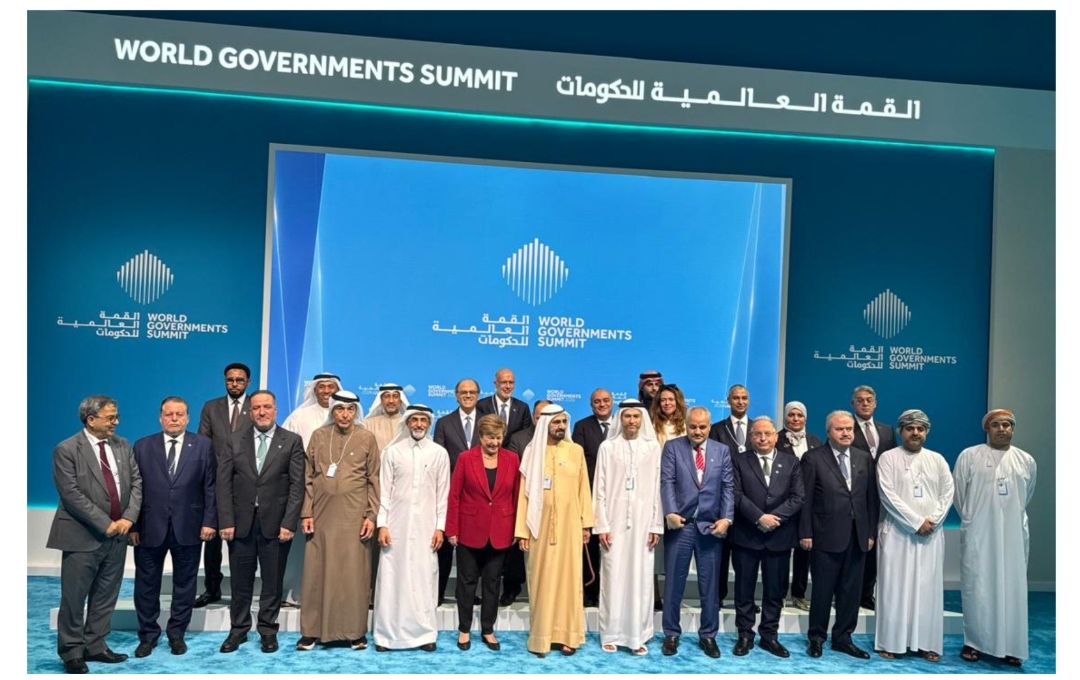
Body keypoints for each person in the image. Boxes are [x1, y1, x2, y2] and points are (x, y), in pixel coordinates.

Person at [48, 395, 143, 674]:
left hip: (118, 536)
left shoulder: (123, 445)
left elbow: (137, 483)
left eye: (116, 416)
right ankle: (72, 652)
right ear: (91, 420)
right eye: (110, 417)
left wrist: (128, 518)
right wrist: (106, 523)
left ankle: (96, 645)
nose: (116, 422)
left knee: (105, 596)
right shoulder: (66, 449)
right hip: (82, 535)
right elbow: (71, 495)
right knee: (74, 598)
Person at [216, 390, 305, 655]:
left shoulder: (292, 441)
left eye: (267, 407)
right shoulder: (234, 440)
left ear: (276, 409)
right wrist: (226, 520)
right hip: (240, 524)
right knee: (240, 581)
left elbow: (297, 486)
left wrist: (289, 523)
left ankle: (267, 630)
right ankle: (238, 629)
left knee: (272, 582)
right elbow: (223, 483)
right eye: (256, 408)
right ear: (250, 411)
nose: (262, 412)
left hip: (276, 526)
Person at [130, 397, 216, 658]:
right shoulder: (142, 446)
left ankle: (176, 634)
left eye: (180, 414)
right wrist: (133, 525)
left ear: (188, 418)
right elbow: (134, 489)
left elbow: (210, 486)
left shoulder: (203, 445)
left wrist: (209, 521)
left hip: (189, 526)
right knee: (146, 585)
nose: (174, 419)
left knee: (185, 584)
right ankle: (148, 635)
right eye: (169, 414)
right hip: (149, 527)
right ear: (160, 418)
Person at [296, 391, 380, 652]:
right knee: (316, 572)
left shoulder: (367, 438)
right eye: (340, 409)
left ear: (356, 412)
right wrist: (306, 512)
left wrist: (371, 515)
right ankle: (311, 632)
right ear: (332, 411)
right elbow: (308, 478)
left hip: (355, 517)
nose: (345, 415)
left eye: (350, 410)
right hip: (321, 515)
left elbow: (374, 479)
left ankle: (354, 632)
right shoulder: (319, 436)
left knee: (353, 574)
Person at [953, 408, 1037, 667]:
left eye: (1007, 425)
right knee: (978, 585)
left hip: (1013, 534)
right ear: (987, 429)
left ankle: (1012, 646)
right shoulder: (970, 456)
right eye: (996, 425)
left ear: (1013, 429)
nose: (1002, 429)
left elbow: (1027, 494)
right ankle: (974, 642)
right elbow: (959, 495)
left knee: (1013, 587)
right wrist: (974, 520)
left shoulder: (1026, 460)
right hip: (980, 533)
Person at [874, 409, 954, 663]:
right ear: (901, 431)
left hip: (930, 535)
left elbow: (947, 493)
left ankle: (927, 643)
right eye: (910, 428)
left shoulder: (937, 460)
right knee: (895, 589)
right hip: (897, 533)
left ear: (926, 432)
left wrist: (932, 521)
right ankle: (891, 642)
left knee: (927, 589)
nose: (915, 433)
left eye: (920, 429)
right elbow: (887, 494)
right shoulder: (888, 458)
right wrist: (916, 522)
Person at [514, 403, 594, 657]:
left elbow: (583, 489)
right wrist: (522, 531)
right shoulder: (532, 452)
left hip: (570, 527)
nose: (560, 427)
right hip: (538, 528)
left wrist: (586, 524)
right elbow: (523, 495)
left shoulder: (575, 450)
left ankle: (568, 636)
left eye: (563, 422)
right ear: (544, 425)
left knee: (569, 581)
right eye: (555, 422)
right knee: (542, 581)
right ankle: (542, 638)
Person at [799, 410, 878, 660]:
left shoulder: (863, 458)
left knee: (851, 592)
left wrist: (870, 532)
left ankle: (843, 638)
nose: (845, 433)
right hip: (824, 536)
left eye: (849, 429)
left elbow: (871, 499)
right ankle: (816, 638)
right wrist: (806, 532)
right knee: (822, 591)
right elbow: (805, 499)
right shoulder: (813, 458)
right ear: (828, 432)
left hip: (858, 536)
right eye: (840, 429)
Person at [373, 405, 450, 652]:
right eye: (414, 419)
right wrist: (382, 524)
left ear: (429, 423)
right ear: (407, 423)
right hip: (395, 526)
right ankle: (387, 636)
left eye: (423, 420)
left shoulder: (439, 453)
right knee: (392, 577)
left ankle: (424, 634)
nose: (418, 424)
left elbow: (443, 494)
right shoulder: (392, 452)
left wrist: (440, 527)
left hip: (427, 528)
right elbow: (384, 492)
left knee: (424, 578)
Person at [659, 406, 734, 660]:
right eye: (693, 426)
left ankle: (708, 635)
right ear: (686, 426)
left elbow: (728, 487)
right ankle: (671, 634)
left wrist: (726, 518)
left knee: (710, 586)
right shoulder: (673, 447)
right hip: (680, 526)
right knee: (674, 585)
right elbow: (667, 481)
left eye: (702, 427)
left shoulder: (722, 451)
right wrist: (670, 511)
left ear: (709, 427)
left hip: (710, 528)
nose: (698, 431)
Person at [592, 399, 663, 656]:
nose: (631, 421)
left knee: (640, 578)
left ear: (642, 419)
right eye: (627, 416)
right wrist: (601, 525)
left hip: (643, 524)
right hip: (613, 523)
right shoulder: (607, 447)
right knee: (613, 576)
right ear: (620, 418)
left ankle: (637, 635)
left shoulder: (652, 447)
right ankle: (611, 633)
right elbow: (599, 488)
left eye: (636, 416)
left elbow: (658, 488)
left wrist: (656, 524)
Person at [729, 416, 804, 659]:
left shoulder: (791, 462)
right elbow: (735, 494)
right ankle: (745, 635)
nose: (763, 438)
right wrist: (759, 517)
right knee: (744, 590)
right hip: (746, 535)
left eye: (767, 434)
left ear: (775, 436)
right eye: (757, 434)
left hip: (779, 536)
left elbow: (797, 497)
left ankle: (769, 635)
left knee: (774, 591)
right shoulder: (739, 460)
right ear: (751, 437)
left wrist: (774, 518)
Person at [445, 414, 520, 652]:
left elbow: (516, 496)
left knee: (492, 583)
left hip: (500, 531)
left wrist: (517, 528)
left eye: (498, 437)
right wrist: (452, 529)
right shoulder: (466, 458)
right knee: (466, 582)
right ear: (480, 436)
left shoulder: (512, 459)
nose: (494, 442)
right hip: (469, 531)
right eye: (490, 437)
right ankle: (464, 629)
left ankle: (488, 629)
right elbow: (454, 495)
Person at [280, 372, 345, 607]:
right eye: (322, 387)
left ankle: (332, 594)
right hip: (304, 489)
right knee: (302, 545)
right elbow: (284, 450)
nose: (326, 391)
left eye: (331, 387)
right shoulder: (300, 416)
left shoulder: (345, 416)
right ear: (314, 390)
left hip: (338, 494)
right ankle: (295, 593)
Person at [194, 362, 252, 608]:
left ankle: (241, 592)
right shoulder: (211, 407)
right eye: (230, 380)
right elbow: (203, 443)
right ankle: (212, 589)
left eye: (239, 380)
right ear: (225, 381)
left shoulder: (256, 406)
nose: (234, 384)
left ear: (248, 382)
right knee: (213, 541)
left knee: (241, 541)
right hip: (217, 482)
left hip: (247, 483)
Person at [433, 378, 482, 606]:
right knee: (444, 548)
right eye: (463, 392)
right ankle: (438, 592)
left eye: (472, 392)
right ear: (456, 395)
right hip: (450, 492)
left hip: (479, 494)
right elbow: (439, 458)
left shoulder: (488, 421)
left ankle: (469, 594)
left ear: (478, 395)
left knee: (474, 547)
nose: (468, 395)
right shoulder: (444, 423)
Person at [849, 385, 895, 611]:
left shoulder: (887, 431)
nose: (865, 403)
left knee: (875, 546)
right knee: (854, 546)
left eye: (869, 400)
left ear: (875, 403)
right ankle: (849, 593)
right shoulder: (846, 428)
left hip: (882, 497)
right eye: (860, 400)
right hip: (855, 495)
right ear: (853, 404)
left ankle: (867, 593)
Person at [499, 398, 550, 606]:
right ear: (533, 418)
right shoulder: (519, 439)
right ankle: (511, 588)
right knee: (517, 547)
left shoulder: (563, 439)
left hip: (551, 504)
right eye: (539, 417)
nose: (543, 421)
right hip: (524, 498)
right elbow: (511, 470)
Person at [774, 401, 822, 611]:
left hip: (808, 505)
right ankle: (779, 595)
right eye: (791, 415)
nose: (795, 419)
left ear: (805, 418)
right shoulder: (775, 439)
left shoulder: (815, 441)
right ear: (785, 417)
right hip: (784, 503)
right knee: (782, 553)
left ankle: (799, 594)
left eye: (799, 415)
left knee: (805, 552)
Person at [708, 384, 751, 609]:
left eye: (744, 398)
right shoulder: (717, 429)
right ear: (728, 401)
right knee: (721, 554)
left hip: (749, 502)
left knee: (745, 558)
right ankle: (717, 597)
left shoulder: (757, 429)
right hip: (722, 501)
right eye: (736, 398)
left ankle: (744, 600)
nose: (740, 402)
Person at [571, 387, 614, 607]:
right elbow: (578, 462)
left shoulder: (622, 424)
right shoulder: (582, 427)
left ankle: (612, 593)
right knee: (590, 546)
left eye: (606, 400)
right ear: (591, 405)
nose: (602, 404)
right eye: (597, 401)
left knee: (613, 546)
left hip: (616, 496)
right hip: (589, 494)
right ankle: (590, 592)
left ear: (612, 402)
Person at [476, 367, 532, 446]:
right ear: (496, 384)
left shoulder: (522, 408)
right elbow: (477, 434)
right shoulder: (481, 405)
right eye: (504, 382)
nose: (508, 386)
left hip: (514, 452)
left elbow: (526, 436)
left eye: (511, 382)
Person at [364, 383, 409, 450]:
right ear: (381, 400)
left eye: (395, 396)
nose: (391, 401)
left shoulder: (409, 424)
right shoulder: (368, 424)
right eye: (387, 396)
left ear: (401, 401)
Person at [650, 384, 687, 448]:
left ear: (678, 401)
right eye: (663, 400)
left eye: (671, 399)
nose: (667, 403)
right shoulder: (653, 426)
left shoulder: (687, 424)